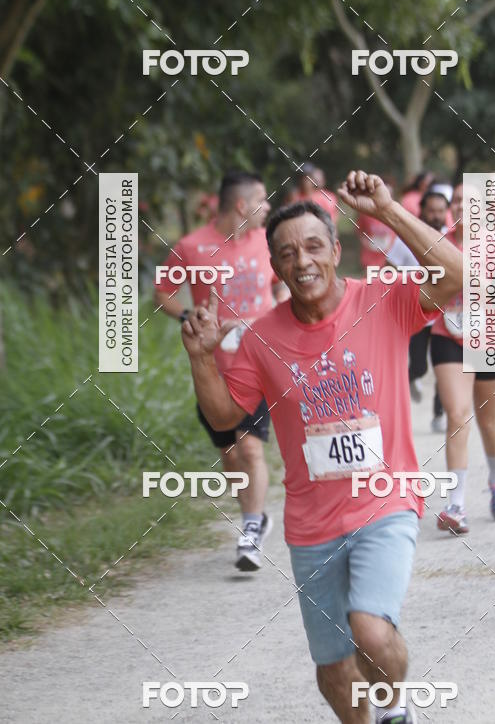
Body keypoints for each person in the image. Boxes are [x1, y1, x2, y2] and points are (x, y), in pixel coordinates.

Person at [181, 171, 462, 724]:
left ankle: (395, 709)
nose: (302, 261)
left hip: (386, 501)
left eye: (314, 246)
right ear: (275, 267)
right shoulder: (261, 338)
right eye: (287, 253)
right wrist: (201, 356)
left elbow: (456, 276)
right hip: (311, 525)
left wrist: (387, 209)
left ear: (336, 249)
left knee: (371, 632)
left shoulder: (381, 299)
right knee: (333, 670)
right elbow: (226, 416)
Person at [154, 171, 285, 571]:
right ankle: (257, 516)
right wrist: (190, 316)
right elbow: (162, 292)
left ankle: (249, 532)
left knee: (249, 447)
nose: (268, 207)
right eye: (263, 200)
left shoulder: (268, 241)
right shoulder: (192, 247)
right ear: (242, 206)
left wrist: (280, 306)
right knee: (229, 454)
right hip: (213, 367)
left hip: (258, 363)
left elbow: (281, 283)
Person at [431, 182, 495, 534]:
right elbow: (425, 287)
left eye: (471, 201)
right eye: (459, 200)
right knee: (456, 415)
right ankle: (456, 505)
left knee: (487, 422)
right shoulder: (437, 241)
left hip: (491, 337)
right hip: (448, 334)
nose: (464, 206)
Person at [387, 188, 450, 432]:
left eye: (440, 211)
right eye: (431, 210)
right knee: (420, 366)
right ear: (422, 211)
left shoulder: (451, 239)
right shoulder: (406, 239)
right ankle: (413, 376)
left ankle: (439, 414)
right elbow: (387, 270)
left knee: (444, 368)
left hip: (446, 319)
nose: (435, 215)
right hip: (418, 315)